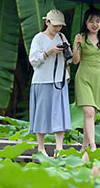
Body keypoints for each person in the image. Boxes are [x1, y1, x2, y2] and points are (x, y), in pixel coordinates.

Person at [72, 6, 100, 151]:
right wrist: (77, 46)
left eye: (97, 21)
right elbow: (75, 61)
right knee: (89, 112)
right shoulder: (80, 37)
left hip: (99, 78)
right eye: (91, 21)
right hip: (83, 77)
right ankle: (93, 146)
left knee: (91, 114)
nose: (95, 24)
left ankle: (84, 147)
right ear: (85, 22)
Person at [29, 9, 72, 157]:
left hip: (59, 81)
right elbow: (33, 59)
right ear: (47, 22)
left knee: (59, 113)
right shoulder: (38, 38)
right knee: (42, 114)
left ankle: (59, 147)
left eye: (60, 26)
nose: (57, 29)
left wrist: (70, 50)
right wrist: (50, 51)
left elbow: (70, 60)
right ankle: (41, 147)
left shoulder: (62, 36)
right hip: (42, 81)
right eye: (55, 25)